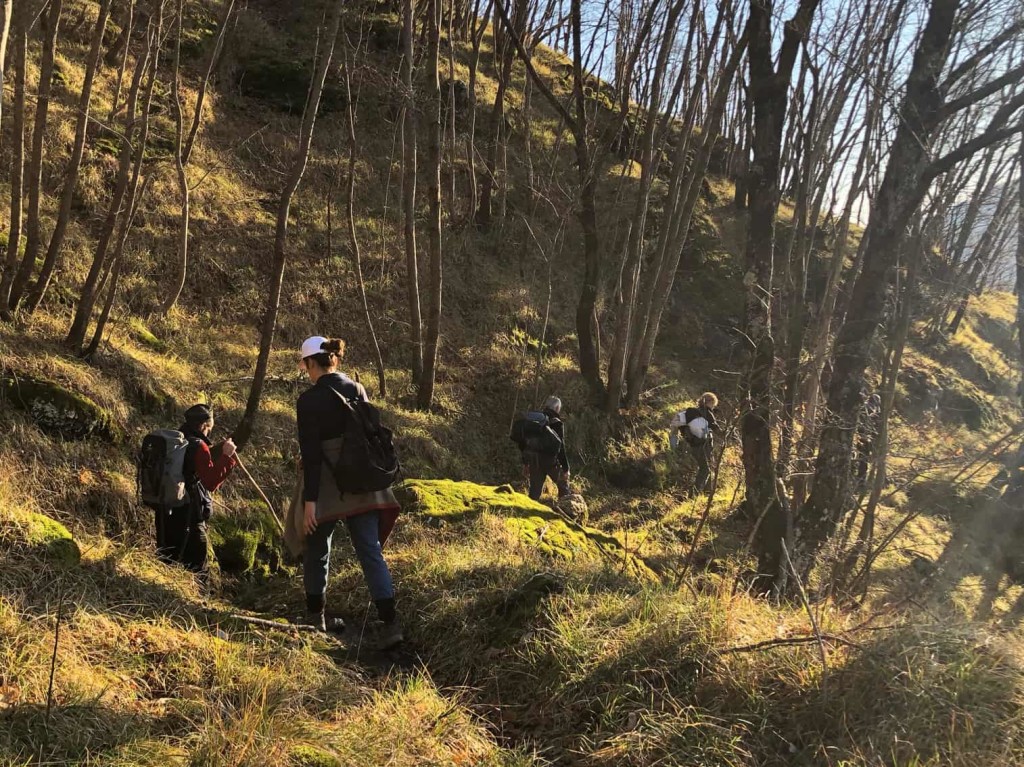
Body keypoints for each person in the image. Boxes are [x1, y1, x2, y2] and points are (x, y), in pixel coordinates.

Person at [295, 335, 403, 648]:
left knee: (317, 548)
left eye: (305, 366)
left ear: (311, 363)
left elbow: (313, 456)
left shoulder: (308, 401)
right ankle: (391, 624)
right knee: (370, 551)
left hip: (328, 483)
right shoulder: (357, 388)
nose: (306, 371)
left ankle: (316, 619)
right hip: (363, 482)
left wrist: (310, 502)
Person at [156, 404, 237, 573]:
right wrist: (227, 457)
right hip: (189, 516)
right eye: (209, 428)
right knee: (198, 567)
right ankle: (197, 598)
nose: (209, 433)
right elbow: (210, 482)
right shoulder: (199, 446)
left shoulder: (176, 442)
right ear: (203, 426)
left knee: (167, 560)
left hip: (165, 511)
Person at [518, 396, 571, 502]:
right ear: (556, 408)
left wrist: (525, 463)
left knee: (534, 494)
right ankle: (566, 512)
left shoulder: (535, 420)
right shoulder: (556, 422)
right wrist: (566, 468)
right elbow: (560, 447)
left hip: (534, 460)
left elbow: (525, 442)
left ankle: (526, 513)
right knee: (564, 488)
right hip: (551, 462)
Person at [669, 392, 719, 496]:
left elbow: (674, 427)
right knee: (705, 469)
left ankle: (707, 493)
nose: (713, 407)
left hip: (694, 445)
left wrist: (673, 446)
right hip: (704, 445)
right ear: (710, 402)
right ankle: (694, 495)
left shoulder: (687, 414)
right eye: (713, 404)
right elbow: (716, 428)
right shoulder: (706, 412)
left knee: (706, 467)